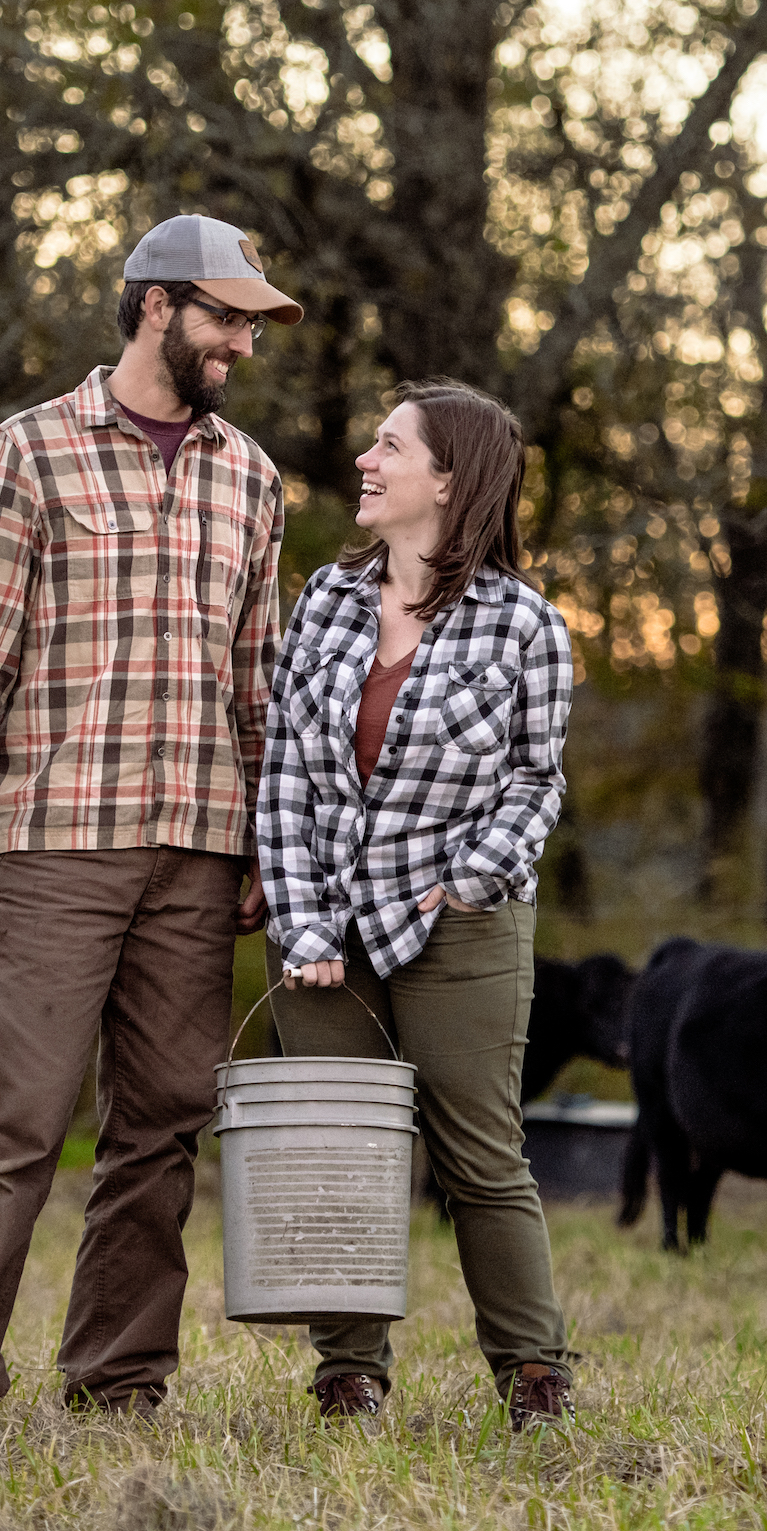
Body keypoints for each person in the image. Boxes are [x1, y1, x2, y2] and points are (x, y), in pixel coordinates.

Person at [0, 213, 299, 1441]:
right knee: (20, 1114)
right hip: (59, 836)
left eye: (250, 323)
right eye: (224, 316)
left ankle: (119, 1385)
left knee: (166, 1115)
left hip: (202, 843)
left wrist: (269, 845)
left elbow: (257, 681)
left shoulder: (253, 476)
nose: (239, 342)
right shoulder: (30, 452)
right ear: (154, 305)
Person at [256, 380, 578, 1428]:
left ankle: (534, 1376)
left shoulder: (524, 625)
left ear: (449, 478)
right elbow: (288, 777)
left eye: (389, 447)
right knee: (337, 1150)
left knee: (482, 1155)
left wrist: (470, 877)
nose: (366, 459)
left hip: (464, 925)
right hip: (328, 926)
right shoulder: (327, 598)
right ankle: (348, 1379)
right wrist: (304, 924)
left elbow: (537, 779)